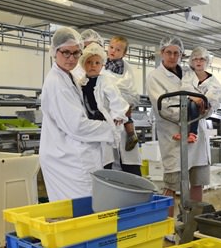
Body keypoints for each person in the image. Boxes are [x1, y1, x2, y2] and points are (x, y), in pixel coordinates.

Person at [39, 27, 115, 201]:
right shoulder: (57, 84)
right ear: (54, 51)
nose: (71, 58)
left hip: (72, 155)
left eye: (76, 53)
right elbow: (77, 126)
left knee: (82, 210)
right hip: (66, 159)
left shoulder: (69, 76)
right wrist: (110, 129)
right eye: (66, 53)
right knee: (79, 210)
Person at [146, 36, 214, 217]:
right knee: (171, 184)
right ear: (162, 53)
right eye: (168, 52)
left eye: (176, 53)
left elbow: (206, 95)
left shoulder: (189, 73)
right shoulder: (155, 77)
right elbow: (164, 107)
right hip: (173, 135)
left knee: (197, 180)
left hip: (196, 134)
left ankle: (195, 220)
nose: (172, 56)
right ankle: (167, 224)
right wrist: (190, 106)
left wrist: (203, 105)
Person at [76, 42, 129, 170]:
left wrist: (118, 115)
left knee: (105, 159)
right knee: (91, 159)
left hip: (102, 122)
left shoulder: (105, 81)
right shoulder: (80, 83)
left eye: (97, 63)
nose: (93, 66)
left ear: (102, 65)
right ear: (83, 64)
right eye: (89, 62)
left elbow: (116, 98)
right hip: (88, 124)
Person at [104, 35, 143, 175]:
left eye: (118, 49)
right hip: (108, 122)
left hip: (123, 113)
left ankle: (131, 134)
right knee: (110, 168)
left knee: (131, 169)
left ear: (124, 53)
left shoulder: (125, 68)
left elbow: (130, 92)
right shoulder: (102, 65)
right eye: (111, 47)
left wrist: (121, 101)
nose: (113, 51)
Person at [180, 46, 221, 143]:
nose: (198, 62)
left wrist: (202, 101)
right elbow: (184, 89)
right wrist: (195, 98)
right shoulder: (188, 76)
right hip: (185, 118)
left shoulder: (213, 82)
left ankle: (193, 133)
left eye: (202, 59)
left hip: (201, 117)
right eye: (195, 59)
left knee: (193, 105)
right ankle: (184, 132)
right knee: (188, 103)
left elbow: (214, 98)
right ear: (192, 61)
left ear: (207, 61)